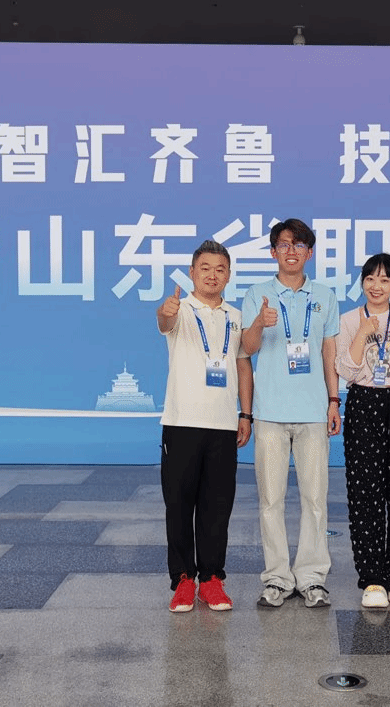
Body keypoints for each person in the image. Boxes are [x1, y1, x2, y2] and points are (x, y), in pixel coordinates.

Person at [241, 218, 341, 609]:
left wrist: (334, 400)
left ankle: (312, 578)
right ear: (273, 252)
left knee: (315, 500)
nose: (291, 251)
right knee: (271, 501)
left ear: (309, 253)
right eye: (284, 244)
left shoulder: (325, 296)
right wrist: (258, 323)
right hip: (269, 411)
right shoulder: (257, 294)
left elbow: (329, 351)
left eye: (299, 245)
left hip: (313, 411)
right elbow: (247, 348)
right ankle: (277, 578)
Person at [157, 240, 254, 613]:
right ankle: (183, 580)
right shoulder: (180, 309)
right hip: (181, 422)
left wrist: (245, 414)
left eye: (220, 269)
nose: (212, 275)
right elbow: (163, 323)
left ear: (228, 275)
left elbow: (243, 364)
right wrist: (165, 311)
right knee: (179, 505)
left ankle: (212, 579)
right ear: (192, 272)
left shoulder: (235, 315)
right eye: (205, 268)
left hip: (223, 425)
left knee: (217, 507)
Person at [335, 253, 390, 609]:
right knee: (364, 493)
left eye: (385, 279)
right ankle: (372, 578)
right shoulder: (347, 319)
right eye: (370, 278)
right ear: (362, 282)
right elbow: (346, 369)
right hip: (364, 403)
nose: (377, 286)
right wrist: (362, 333)